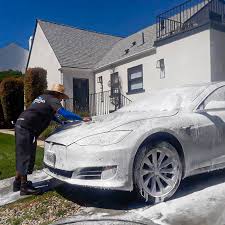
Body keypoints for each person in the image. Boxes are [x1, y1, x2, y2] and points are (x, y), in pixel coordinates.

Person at [13, 84, 91, 195]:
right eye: (61, 97)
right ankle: (24, 188)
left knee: (22, 154)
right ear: (57, 94)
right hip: (27, 128)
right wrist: (81, 118)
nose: (61, 100)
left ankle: (17, 183)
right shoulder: (53, 99)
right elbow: (63, 112)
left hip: (21, 124)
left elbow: (50, 115)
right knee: (26, 155)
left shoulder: (43, 98)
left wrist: (62, 122)